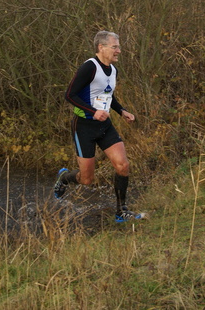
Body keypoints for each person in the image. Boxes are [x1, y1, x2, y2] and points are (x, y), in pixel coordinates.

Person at [55, 30, 143, 222]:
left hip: (104, 126)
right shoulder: (89, 67)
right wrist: (93, 111)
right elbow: (69, 95)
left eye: (119, 46)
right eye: (115, 47)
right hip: (84, 126)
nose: (119, 50)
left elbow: (108, 95)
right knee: (86, 180)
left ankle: (121, 212)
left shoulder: (113, 70)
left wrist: (121, 111)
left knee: (123, 165)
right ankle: (64, 178)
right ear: (101, 47)